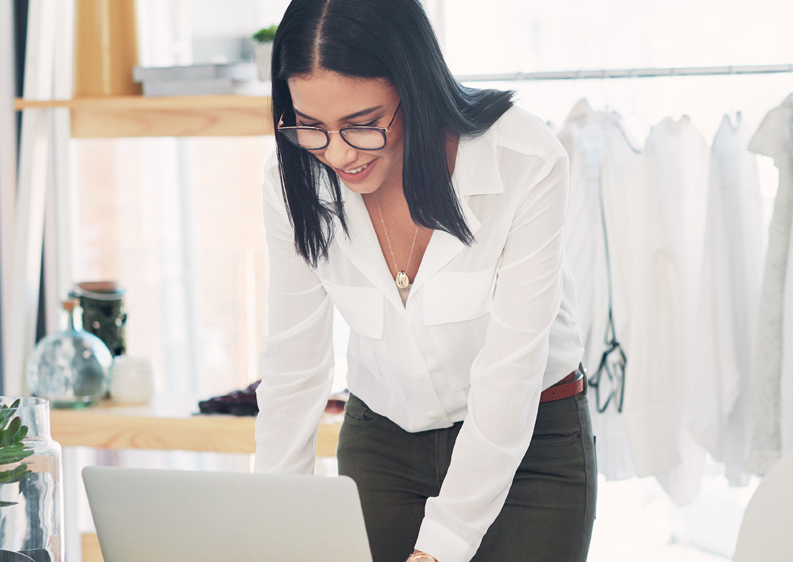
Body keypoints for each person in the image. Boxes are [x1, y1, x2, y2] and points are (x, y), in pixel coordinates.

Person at [251, 1, 595, 561]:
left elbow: (509, 376)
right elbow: (294, 369)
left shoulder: (523, 162)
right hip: (383, 438)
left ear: (413, 86)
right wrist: (272, 530)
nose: (336, 154)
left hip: (531, 439)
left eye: (362, 124)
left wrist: (441, 547)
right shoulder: (290, 181)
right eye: (311, 126)